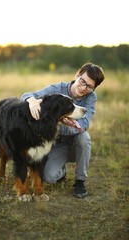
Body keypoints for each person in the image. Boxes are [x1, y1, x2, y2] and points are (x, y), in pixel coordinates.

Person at [20, 63, 105, 198]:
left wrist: (60, 125)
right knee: (49, 177)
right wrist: (32, 101)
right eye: (82, 81)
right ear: (77, 75)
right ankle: (61, 171)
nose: (83, 88)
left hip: (73, 142)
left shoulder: (91, 97)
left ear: (94, 88)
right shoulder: (57, 89)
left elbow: (84, 123)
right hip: (54, 144)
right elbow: (26, 95)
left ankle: (80, 181)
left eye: (89, 87)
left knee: (84, 137)